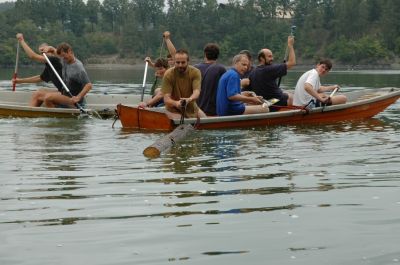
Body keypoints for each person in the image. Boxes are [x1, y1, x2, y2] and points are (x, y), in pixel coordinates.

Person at [12, 33, 63, 107]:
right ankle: (32, 114)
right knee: (39, 92)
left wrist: (21, 40)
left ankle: (30, 114)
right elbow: (40, 78)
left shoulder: (55, 60)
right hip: (62, 92)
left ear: (51, 52)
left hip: (68, 94)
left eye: (45, 51)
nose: (43, 54)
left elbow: (33, 56)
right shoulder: (50, 66)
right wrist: (20, 81)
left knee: (41, 95)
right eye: (42, 53)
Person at [248, 36, 296, 109]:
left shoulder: (252, 72)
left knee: (286, 94)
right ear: (262, 58)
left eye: (272, 56)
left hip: (265, 102)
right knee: (291, 97)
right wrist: (290, 46)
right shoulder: (269, 69)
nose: (272, 59)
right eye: (269, 57)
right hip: (273, 101)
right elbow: (292, 63)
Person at [39, 42, 92, 108]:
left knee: (48, 98)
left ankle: (56, 115)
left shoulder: (78, 67)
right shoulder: (63, 58)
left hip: (73, 99)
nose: (63, 59)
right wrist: (46, 49)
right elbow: (53, 50)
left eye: (64, 56)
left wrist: (78, 97)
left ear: (69, 51)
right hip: (64, 94)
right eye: (61, 57)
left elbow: (88, 85)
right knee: (39, 93)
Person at [161, 49, 206, 119]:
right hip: (173, 109)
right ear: (174, 62)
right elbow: (166, 99)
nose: (180, 65)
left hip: (191, 107)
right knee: (181, 121)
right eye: (177, 62)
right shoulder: (168, 74)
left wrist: (189, 99)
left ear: (188, 62)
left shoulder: (195, 72)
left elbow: (196, 92)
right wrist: (176, 103)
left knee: (205, 120)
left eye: (183, 62)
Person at [195, 43, 226, 116]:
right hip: (213, 109)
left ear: (205, 54)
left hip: (198, 107)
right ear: (217, 56)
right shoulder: (221, 69)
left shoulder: (195, 68)